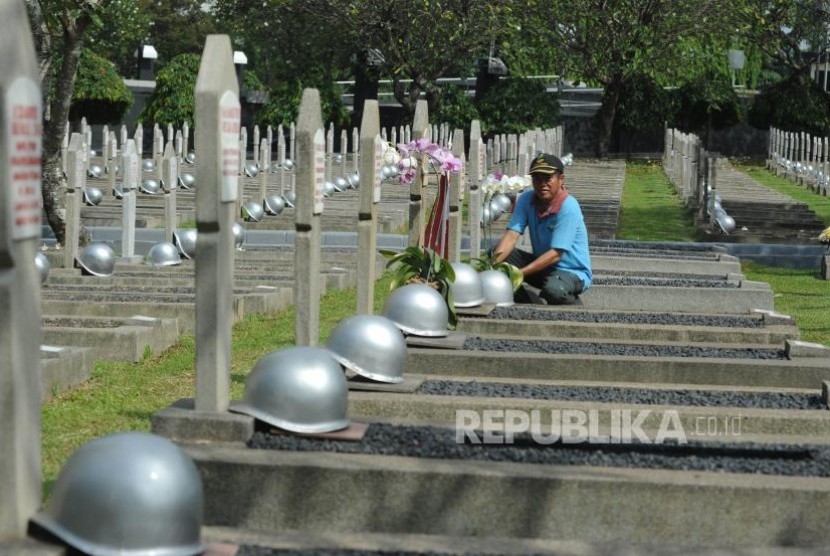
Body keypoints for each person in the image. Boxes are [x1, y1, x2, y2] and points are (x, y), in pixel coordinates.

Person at [491, 153, 592, 304]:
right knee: (495, 255)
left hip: (572, 272)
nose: (542, 183)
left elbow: (556, 254)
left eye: (548, 178)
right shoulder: (526, 199)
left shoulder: (569, 207)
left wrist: (519, 274)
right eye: (537, 178)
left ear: (561, 179)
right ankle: (527, 305)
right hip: (543, 266)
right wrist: (490, 266)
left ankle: (575, 309)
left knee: (554, 290)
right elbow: (511, 236)